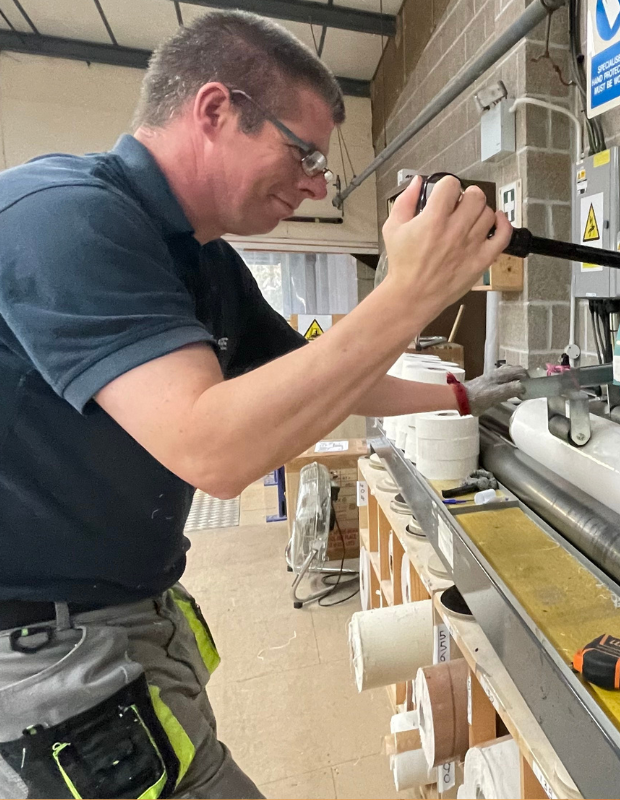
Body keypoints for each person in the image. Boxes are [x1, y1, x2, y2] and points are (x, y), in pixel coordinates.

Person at [0, 10, 523, 799]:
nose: (317, 184)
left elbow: (322, 371)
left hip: (127, 613)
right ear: (214, 110)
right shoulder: (62, 216)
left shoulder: (202, 258)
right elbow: (216, 453)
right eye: (303, 151)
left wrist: (458, 394)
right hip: (42, 651)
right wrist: (409, 292)